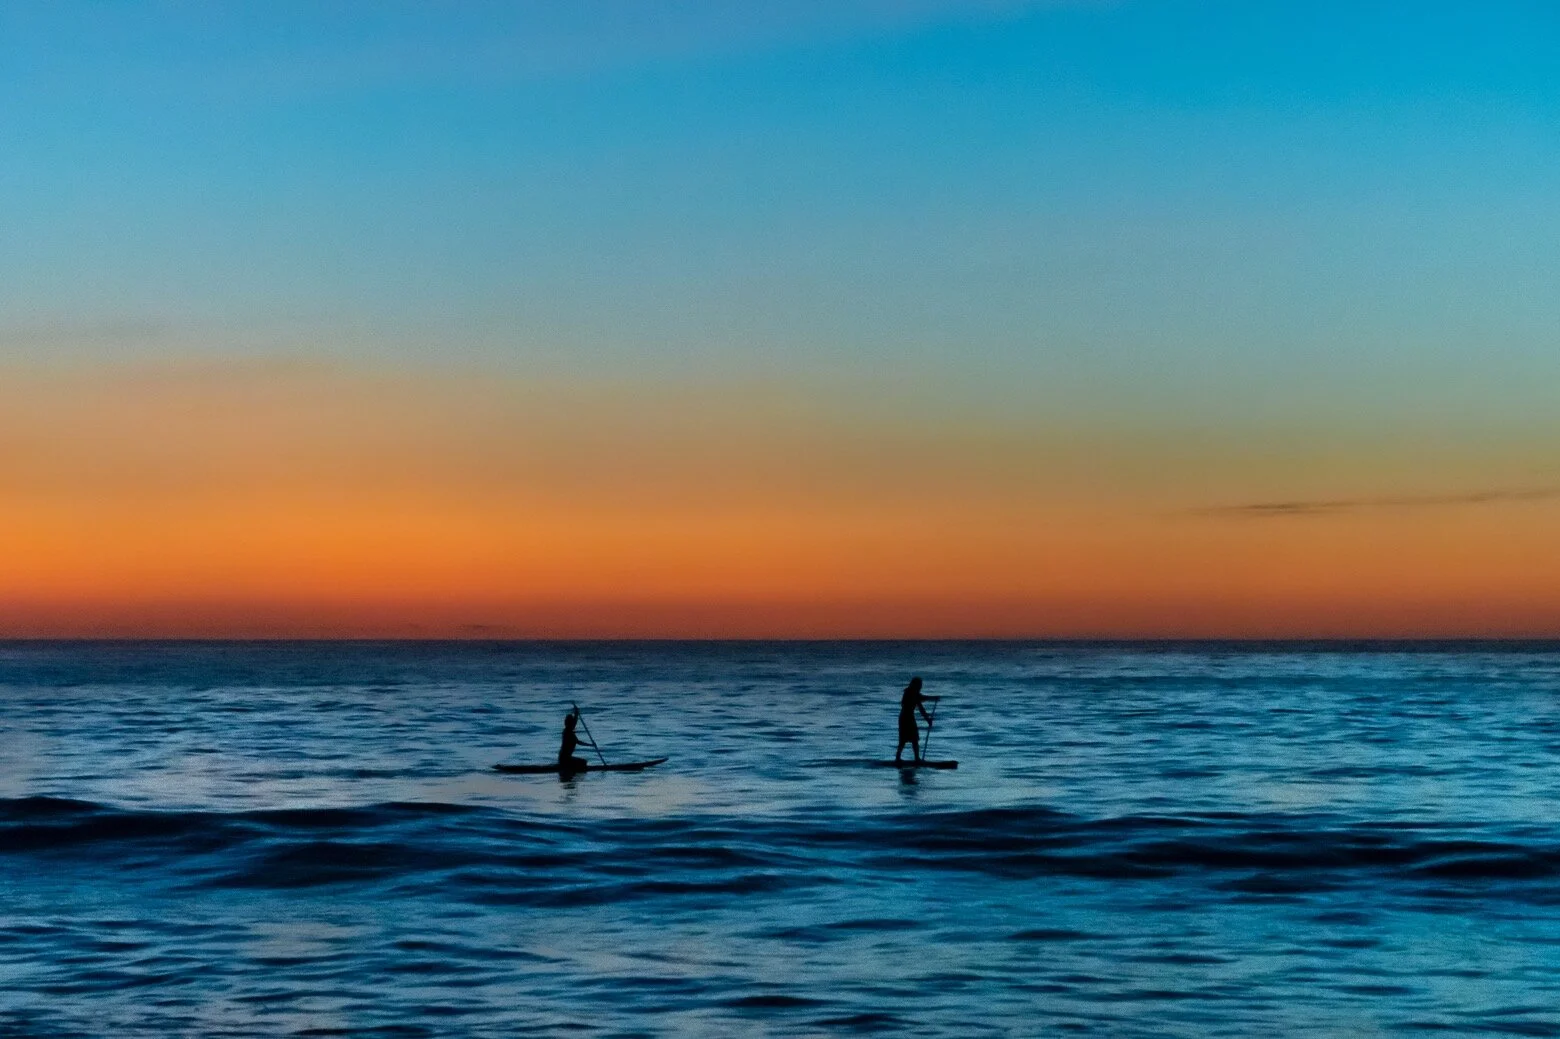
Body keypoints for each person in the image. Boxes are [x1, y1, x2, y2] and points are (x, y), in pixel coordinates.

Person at [895, 676, 940, 762]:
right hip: (904, 718)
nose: (920, 687)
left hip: (910, 717)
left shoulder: (915, 694)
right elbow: (921, 699)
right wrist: (933, 698)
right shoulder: (909, 692)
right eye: (919, 685)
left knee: (915, 739)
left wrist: (928, 720)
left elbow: (921, 708)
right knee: (903, 739)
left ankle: (917, 758)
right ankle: (898, 758)